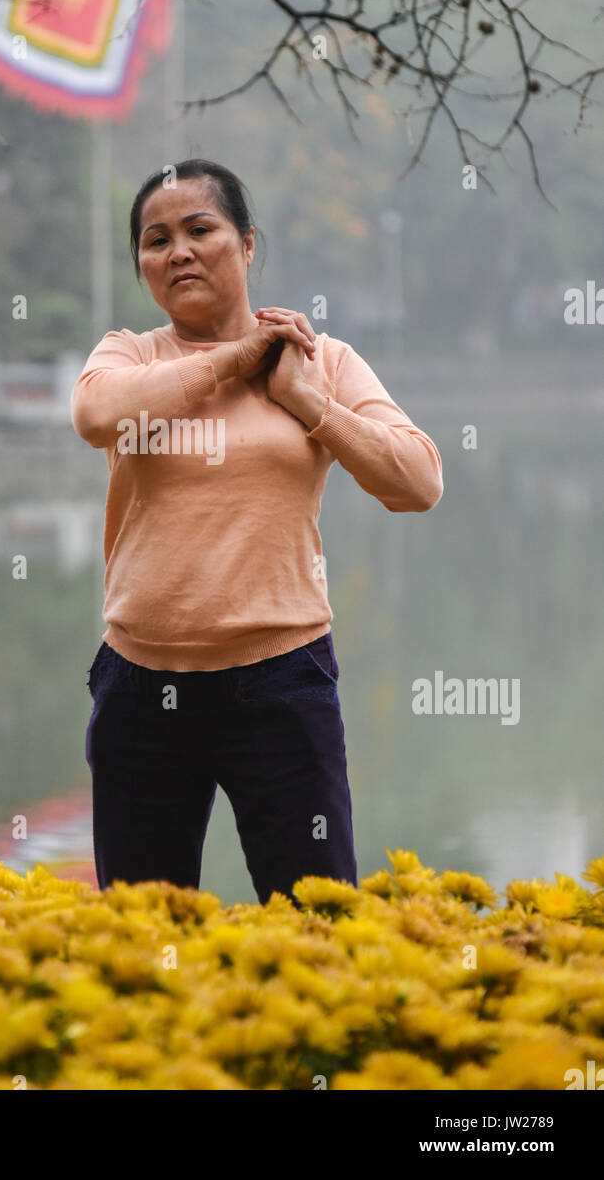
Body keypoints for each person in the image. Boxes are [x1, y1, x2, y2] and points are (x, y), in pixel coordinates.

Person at [70, 158, 443, 905]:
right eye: (155, 239)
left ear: (245, 244)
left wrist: (311, 406)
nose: (177, 251)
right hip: (142, 689)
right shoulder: (131, 356)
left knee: (315, 915)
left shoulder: (319, 361)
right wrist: (232, 360)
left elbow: (417, 482)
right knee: (141, 936)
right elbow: (96, 417)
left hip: (280, 683)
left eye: (198, 229)